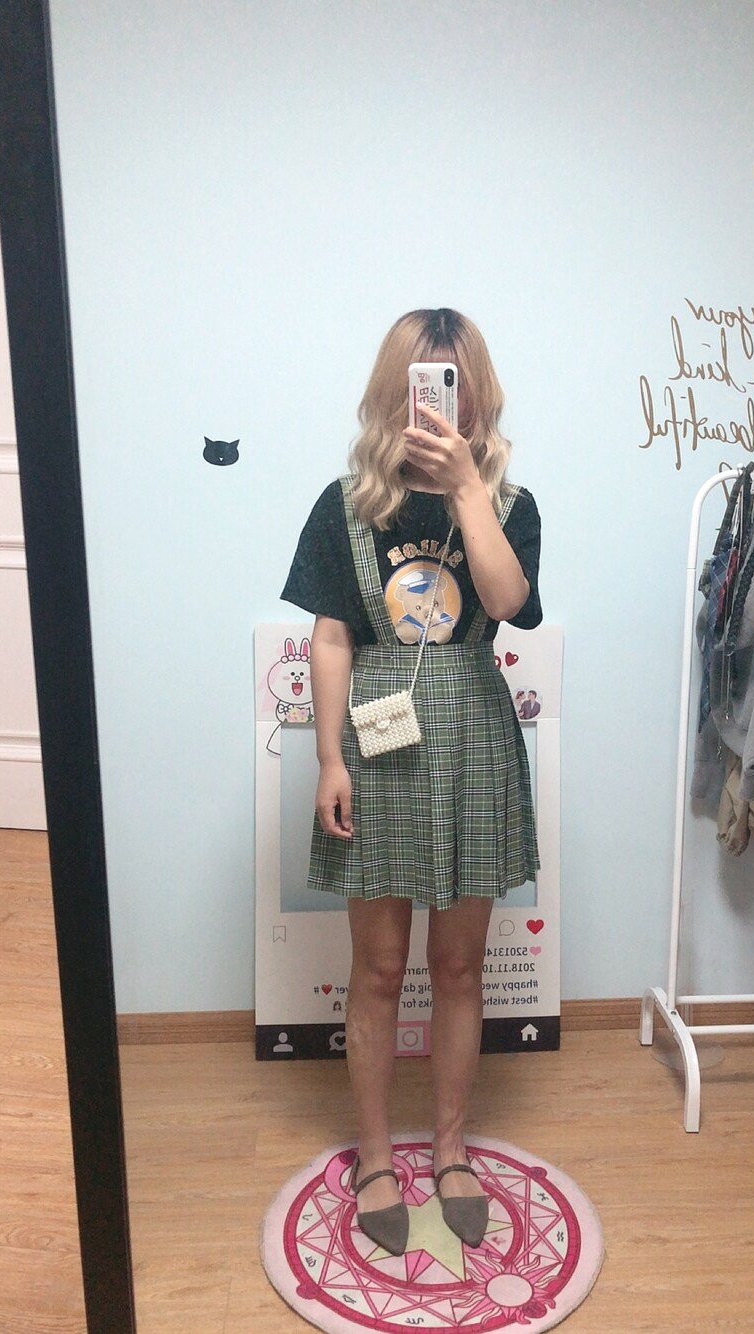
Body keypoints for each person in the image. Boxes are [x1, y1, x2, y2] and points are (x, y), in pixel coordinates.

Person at [282, 308, 542, 1255]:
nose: (439, 402)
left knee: (461, 965)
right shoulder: (346, 504)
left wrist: (469, 489)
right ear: (395, 390)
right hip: (377, 739)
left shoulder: (512, 505)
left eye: (454, 383)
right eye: (423, 382)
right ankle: (377, 1155)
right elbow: (331, 636)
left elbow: (507, 602)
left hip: (473, 731)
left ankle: (451, 1149)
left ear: (477, 393)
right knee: (381, 966)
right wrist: (327, 759)